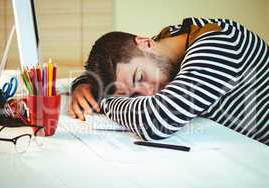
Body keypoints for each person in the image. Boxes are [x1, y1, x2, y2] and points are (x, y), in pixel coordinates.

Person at [69, 17, 269, 145]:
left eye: (140, 77)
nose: (148, 94)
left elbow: (156, 120)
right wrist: (83, 85)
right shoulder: (170, 39)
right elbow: (115, 71)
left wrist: (105, 100)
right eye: (135, 95)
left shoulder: (219, 45)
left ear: (146, 43)